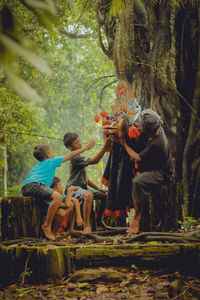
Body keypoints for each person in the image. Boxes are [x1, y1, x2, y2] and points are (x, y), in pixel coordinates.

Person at [21, 141, 95, 240]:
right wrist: (85, 148)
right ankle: (47, 226)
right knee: (58, 197)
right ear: (48, 155)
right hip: (34, 185)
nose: (53, 153)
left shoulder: (39, 165)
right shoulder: (51, 161)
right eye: (52, 151)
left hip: (26, 187)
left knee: (55, 199)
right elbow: (71, 155)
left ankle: (52, 231)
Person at [121, 109, 173, 234]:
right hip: (152, 166)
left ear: (148, 129)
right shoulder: (154, 130)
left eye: (141, 126)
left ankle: (137, 216)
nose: (139, 126)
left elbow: (137, 158)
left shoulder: (158, 143)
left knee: (137, 181)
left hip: (163, 173)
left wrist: (124, 143)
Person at [63, 132, 112, 233]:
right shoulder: (75, 158)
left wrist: (98, 188)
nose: (80, 144)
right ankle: (86, 226)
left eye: (79, 141)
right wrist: (105, 146)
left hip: (83, 188)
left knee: (105, 195)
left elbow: (85, 179)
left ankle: (99, 220)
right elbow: (94, 161)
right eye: (77, 143)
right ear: (70, 147)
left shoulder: (79, 158)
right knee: (88, 195)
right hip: (73, 189)